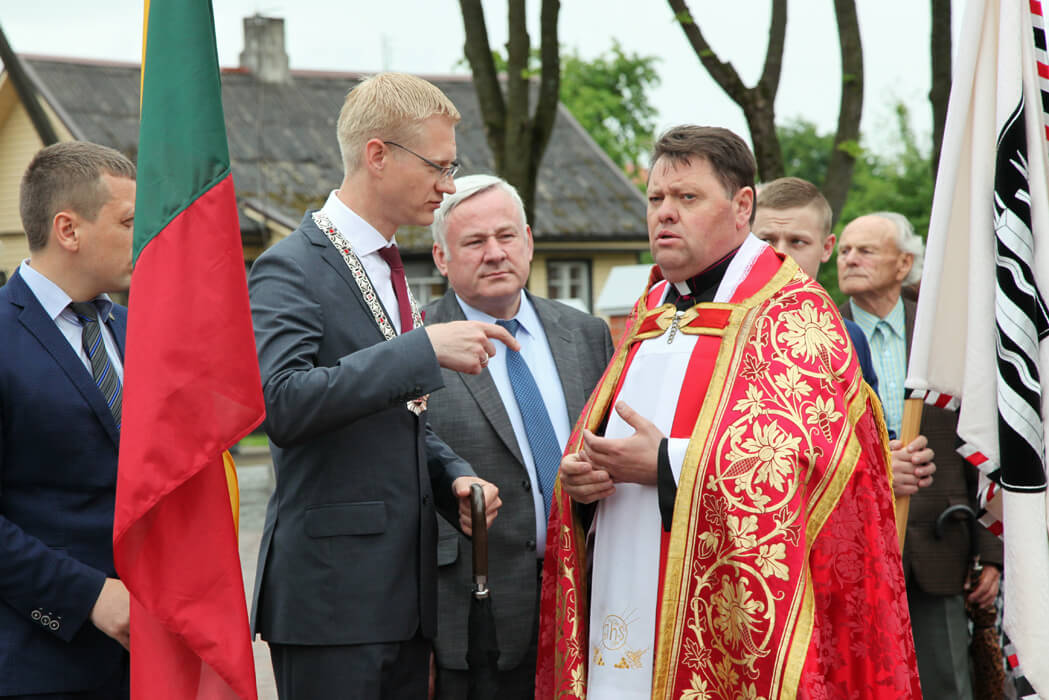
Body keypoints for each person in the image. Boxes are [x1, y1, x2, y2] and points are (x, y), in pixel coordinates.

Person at [536, 126, 921, 699]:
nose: (665, 213)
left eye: (687, 197)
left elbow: (811, 466)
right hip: (623, 580)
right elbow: (604, 434)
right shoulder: (651, 310)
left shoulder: (794, 315)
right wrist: (581, 481)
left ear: (743, 206)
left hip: (735, 617)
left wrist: (665, 464)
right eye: (656, 198)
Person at [248, 72, 514, 700]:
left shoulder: (387, 267)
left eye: (452, 167)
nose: (448, 186)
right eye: (438, 167)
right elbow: (280, 403)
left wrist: (452, 477)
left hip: (401, 601)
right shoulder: (290, 266)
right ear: (377, 155)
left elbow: (396, 416)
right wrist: (421, 349)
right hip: (331, 602)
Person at [424, 175, 614, 699]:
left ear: (528, 241)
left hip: (587, 602)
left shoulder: (587, 334)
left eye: (506, 236)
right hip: (471, 620)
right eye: (474, 242)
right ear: (441, 258)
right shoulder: (416, 345)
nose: (494, 253)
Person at [837, 212, 1002, 700]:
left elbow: (981, 440)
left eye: (866, 250)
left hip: (940, 544)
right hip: (850, 547)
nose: (850, 259)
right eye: (844, 250)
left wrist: (991, 549)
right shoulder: (821, 331)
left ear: (904, 263)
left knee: (947, 684)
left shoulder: (946, 334)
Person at [0, 141, 136, 699]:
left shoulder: (138, 329)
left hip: (152, 661)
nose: (145, 237)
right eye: (128, 222)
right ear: (68, 229)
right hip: (41, 665)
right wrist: (88, 597)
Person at [753, 177, 938, 490]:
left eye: (797, 242)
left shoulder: (848, 338)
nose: (780, 254)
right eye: (767, 240)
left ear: (825, 247)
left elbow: (873, 443)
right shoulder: (713, 326)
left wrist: (888, 465)